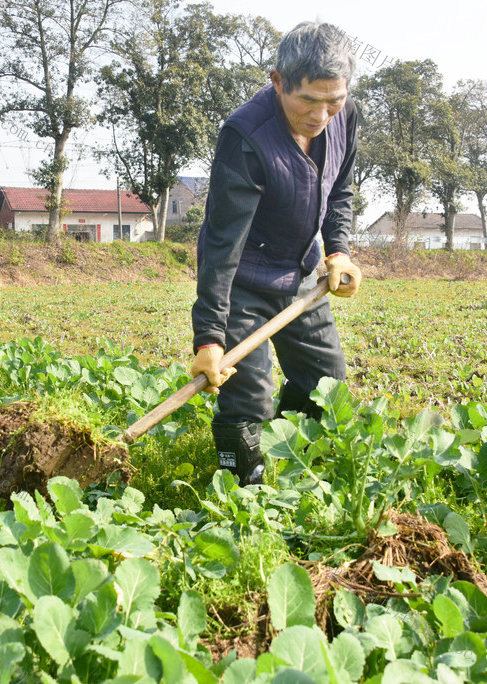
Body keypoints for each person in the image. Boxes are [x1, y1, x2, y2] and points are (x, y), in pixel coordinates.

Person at [189, 21, 363, 486]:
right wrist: (209, 338)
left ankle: (296, 476)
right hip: (243, 280)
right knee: (249, 395)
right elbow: (222, 244)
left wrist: (339, 251)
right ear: (278, 81)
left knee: (325, 385)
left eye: (334, 100)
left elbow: (339, 190)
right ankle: (244, 495)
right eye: (307, 100)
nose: (321, 114)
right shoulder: (246, 137)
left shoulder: (344, 116)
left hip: (302, 273)